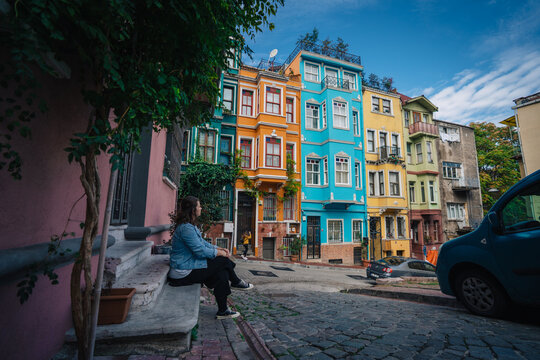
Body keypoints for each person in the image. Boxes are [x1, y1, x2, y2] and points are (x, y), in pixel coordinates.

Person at [167, 196, 253, 319]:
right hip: (182, 272)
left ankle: (223, 310)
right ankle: (235, 282)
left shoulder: (189, 226)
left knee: (221, 273)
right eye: (199, 206)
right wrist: (221, 254)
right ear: (193, 210)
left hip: (189, 266)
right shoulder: (186, 228)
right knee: (222, 261)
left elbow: (203, 243)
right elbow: (200, 251)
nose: (201, 208)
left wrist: (218, 249)